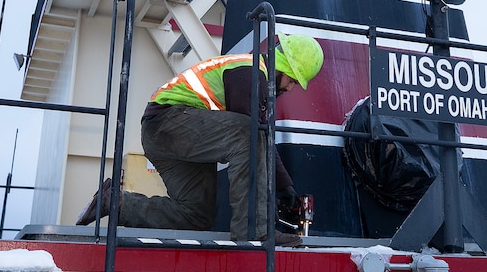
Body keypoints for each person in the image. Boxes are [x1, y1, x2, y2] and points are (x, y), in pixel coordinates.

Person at [76, 33, 324, 247]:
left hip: (172, 135)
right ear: (282, 66)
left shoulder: (255, 78)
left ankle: (116, 203)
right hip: (169, 122)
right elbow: (253, 135)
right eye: (292, 80)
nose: (291, 89)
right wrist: (271, 203)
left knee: (197, 215)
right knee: (247, 133)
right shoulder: (251, 73)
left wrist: (285, 185)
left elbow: (259, 138)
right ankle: (254, 233)